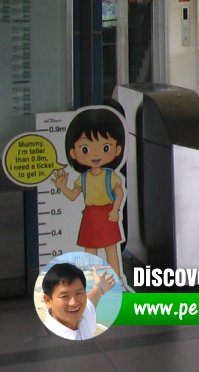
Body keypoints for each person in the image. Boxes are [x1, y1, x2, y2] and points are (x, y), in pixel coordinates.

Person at [51, 108, 126, 283]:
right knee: (90, 250)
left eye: (105, 147)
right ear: (73, 153)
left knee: (110, 249)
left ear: (117, 149)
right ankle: (92, 281)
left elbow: (119, 192)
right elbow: (72, 196)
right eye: (85, 148)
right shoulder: (82, 179)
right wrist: (62, 186)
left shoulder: (110, 176)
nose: (95, 154)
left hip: (107, 214)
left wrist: (115, 210)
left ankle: (116, 280)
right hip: (90, 216)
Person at [39, 262, 115, 340]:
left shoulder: (83, 316)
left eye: (78, 293)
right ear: (48, 301)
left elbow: (91, 301)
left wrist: (99, 287)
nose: (74, 303)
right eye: (64, 296)